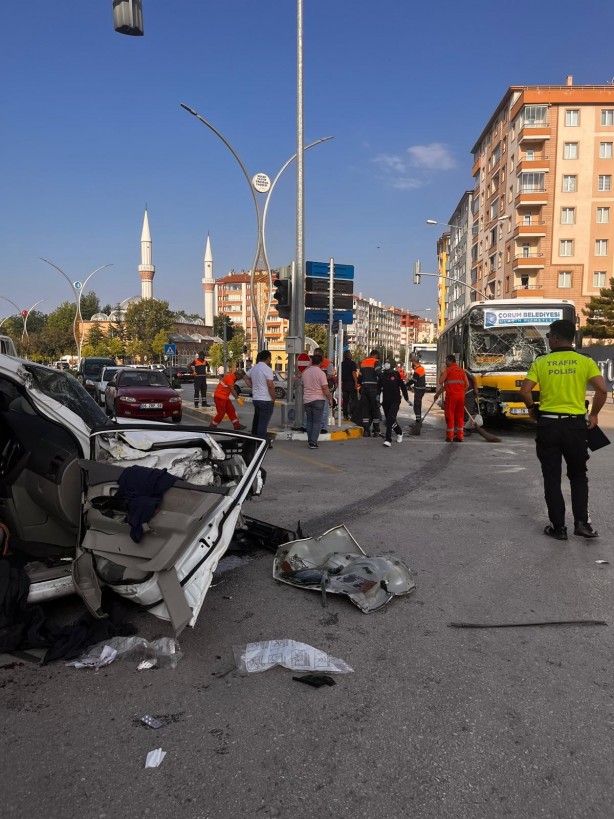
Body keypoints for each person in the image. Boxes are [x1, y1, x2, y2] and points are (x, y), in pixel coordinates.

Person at [519, 319, 607, 541]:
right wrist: (594, 414)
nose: (548, 339)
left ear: (556, 338)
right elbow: (602, 389)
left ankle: (558, 528)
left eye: (548, 336)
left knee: (551, 476)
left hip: (548, 425)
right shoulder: (584, 361)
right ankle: (582, 524)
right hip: (575, 426)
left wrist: (532, 409)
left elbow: (526, 391)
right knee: (578, 475)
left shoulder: (542, 362)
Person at [433, 354, 471, 442]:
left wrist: (442, 373)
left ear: (450, 361)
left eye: (446, 361)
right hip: (461, 397)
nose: (446, 362)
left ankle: (450, 436)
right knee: (460, 416)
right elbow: (467, 385)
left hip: (451, 397)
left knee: (450, 416)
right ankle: (460, 436)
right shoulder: (462, 371)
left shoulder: (448, 370)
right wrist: (462, 392)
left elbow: (440, 381)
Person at [302, 353, 334, 449]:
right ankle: (313, 442)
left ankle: (310, 440)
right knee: (317, 422)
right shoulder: (321, 373)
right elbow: (325, 388)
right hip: (318, 400)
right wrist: (330, 399)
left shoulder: (305, 372)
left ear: (311, 361)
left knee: (309, 421)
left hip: (307, 400)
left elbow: (304, 385)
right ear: (320, 362)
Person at [378, 358, 410, 447]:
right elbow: (378, 388)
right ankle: (399, 432)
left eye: (388, 363)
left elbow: (403, 387)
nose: (386, 364)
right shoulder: (382, 375)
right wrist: (377, 398)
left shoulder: (396, 375)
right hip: (386, 402)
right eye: (386, 362)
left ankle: (388, 440)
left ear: (392, 364)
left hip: (395, 401)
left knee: (389, 420)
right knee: (391, 420)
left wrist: (406, 399)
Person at [247, 350, 276, 445]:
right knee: (263, 423)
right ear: (268, 358)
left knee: (257, 420)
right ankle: (262, 443)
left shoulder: (254, 368)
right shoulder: (267, 369)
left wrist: (253, 386)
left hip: (256, 398)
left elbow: (245, 377)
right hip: (265, 399)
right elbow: (270, 385)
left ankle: (253, 440)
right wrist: (273, 397)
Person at [208, 364, 246, 431]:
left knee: (231, 411)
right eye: (241, 377)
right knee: (221, 413)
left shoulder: (233, 377)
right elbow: (232, 389)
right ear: (238, 375)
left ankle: (237, 425)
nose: (241, 378)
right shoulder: (230, 377)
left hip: (225, 397)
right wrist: (237, 398)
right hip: (220, 397)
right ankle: (212, 425)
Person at [358, 349, 382, 437]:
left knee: (365, 411)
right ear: (375, 355)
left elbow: (359, 378)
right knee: (375, 409)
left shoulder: (363, 362)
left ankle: (366, 431)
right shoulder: (376, 362)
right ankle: (376, 431)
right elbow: (379, 374)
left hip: (364, 389)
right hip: (374, 390)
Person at [314, 347, 335, 433]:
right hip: (316, 388)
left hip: (325, 387)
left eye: (316, 355)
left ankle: (323, 427)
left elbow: (331, 375)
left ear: (322, 355)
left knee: (325, 409)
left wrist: (320, 378)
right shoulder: (313, 363)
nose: (315, 357)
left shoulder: (328, 363)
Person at [406, 355, 426, 426]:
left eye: (412, 362)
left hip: (419, 389)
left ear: (414, 362)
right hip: (421, 389)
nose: (411, 364)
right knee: (418, 405)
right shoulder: (421, 368)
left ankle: (418, 422)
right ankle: (418, 420)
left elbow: (414, 380)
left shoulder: (418, 370)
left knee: (416, 406)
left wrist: (406, 385)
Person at [341, 349, 358, 420]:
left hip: (344, 383)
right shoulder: (352, 363)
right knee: (354, 399)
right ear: (348, 355)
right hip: (351, 383)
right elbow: (353, 373)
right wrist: (356, 382)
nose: (351, 355)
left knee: (345, 400)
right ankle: (353, 413)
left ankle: (345, 415)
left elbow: (340, 373)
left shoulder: (342, 363)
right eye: (350, 353)